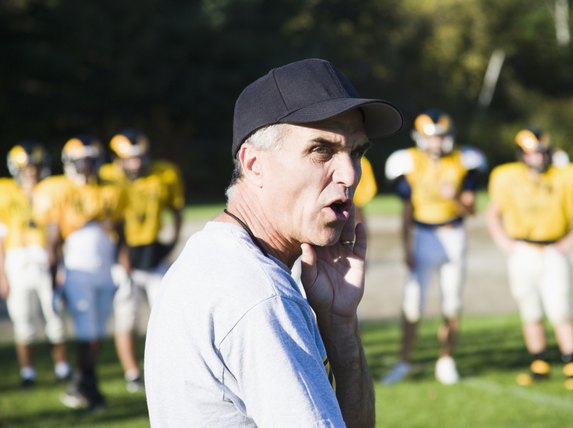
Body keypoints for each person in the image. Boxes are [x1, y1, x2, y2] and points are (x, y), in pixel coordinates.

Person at [144, 58, 402, 427]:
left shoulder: (211, 258)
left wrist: (338, 323)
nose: (349, 174)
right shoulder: (259, 295)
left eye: (357, 152)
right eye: (321, 150)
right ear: (253, 164)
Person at [380, 109, 486, 385]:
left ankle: (447, 360)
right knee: (413, 304)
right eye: (431, 137)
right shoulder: (409, 162)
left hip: (453, 235)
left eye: (440, 137)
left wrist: (458, 199)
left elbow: (472, 209)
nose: (436, 143)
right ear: (420, 138)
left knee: (452, 302)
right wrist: (406, 247)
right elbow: (406, 211)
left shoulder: (463, 160)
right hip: (422, 235)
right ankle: (404, 362)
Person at [485, 128, 573, 390]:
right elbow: (493, 213)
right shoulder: (507, 177)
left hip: (553, 250)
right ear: (522, 155)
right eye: (533, 154)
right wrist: (504, 242)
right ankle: (540, 363)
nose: (538, 158)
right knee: (530, 310)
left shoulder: (565, 176)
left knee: (561, 310)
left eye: (542, 153)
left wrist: (570, 241)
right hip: (523, 249)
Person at [34, 135, 128, 411]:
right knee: (87, 328)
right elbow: (53, 240)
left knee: (98, 332)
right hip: (77, 271)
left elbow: (121, 233)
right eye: (81, 161)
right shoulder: (57, 189)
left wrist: (124, 268)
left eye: (91, 160)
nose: (86, 165)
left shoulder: (111, 189)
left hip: (104, 269)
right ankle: (89, 385)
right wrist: (54, 278)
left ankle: (81, 382)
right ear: (69, 163)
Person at [99, 129, 184, 393]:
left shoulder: (164, 173)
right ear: (117, 159)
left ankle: (168, 367)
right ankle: (132, 373)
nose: (136, 163)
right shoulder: (106, 179)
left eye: (140, 157)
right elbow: (105, 220)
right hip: (122, 255)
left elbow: (177, 208)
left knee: (168, 315)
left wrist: (171, 240)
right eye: (130, 158)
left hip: (153, 252)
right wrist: (119, 252)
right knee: (127, 318)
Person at [0, 142, 72, 387]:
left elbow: (59, 232)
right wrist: (1, 274)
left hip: (44, 260)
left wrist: (61, 265)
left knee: (55, 319)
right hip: (17, 260)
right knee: (23, 320)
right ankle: (27, 372)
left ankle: (63, 367)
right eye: (26, 167)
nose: (31, 172)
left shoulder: (52, 190)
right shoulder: (5, 191)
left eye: (35, 167)